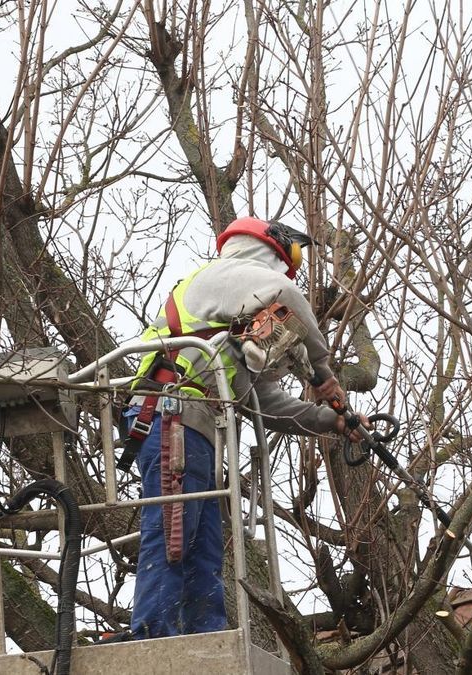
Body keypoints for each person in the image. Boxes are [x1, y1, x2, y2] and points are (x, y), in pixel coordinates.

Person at [120, 216, 362, 640]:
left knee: (204, 545)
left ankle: (204, 638)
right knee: (175, 532)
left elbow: (266, 405)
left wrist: (332, 420)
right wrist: (323, 372)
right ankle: (153, 637)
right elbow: (284, 292)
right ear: (267, 254)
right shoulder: (220, 277)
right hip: (170, 415)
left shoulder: (231, 327)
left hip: (195, 428)